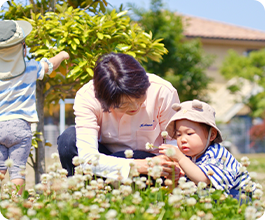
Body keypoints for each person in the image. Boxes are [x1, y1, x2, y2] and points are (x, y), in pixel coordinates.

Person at [58, 52, 181, 181]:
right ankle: (85, 192)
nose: (135, 106)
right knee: (69, 139)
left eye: (140, 97)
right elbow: (87, 158)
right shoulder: (87, 97)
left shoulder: (163, 91)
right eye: (124, 104)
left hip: (151, 165)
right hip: (105, 162)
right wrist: (137, 166)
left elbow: (174, 147)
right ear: (104, 101)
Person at [0, 20, 69, 194]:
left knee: (1, 169)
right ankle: (17, 204)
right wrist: (62, 54)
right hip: (21, 127)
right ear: (22, 47)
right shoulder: (30, 68)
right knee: (17, 170)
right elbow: (50, 65)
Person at [159, 99, 256, 196]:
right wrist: (173, 180)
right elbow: (178, 189)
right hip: (211, 196)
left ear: (212, 135)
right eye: (179, 135)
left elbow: (203, 179)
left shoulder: (217, 154)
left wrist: (180, 158)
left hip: (239, 196)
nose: (183, 139)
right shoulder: (187, 157)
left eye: (190, 133)